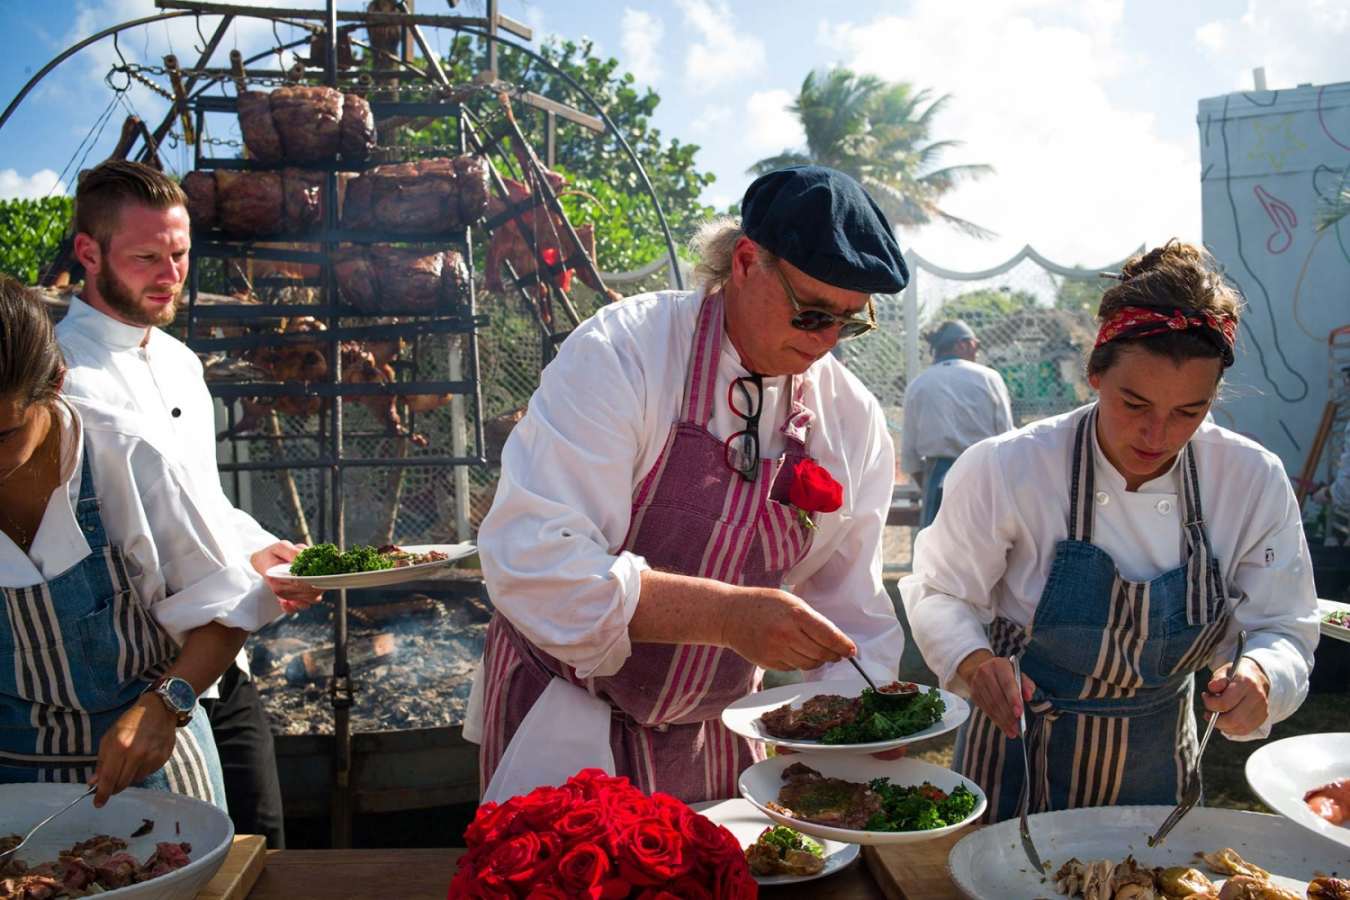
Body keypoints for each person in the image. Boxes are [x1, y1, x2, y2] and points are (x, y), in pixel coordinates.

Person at [465, 166, 908, 804]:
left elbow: (851, 613)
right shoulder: (624, 352)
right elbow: (535, 560)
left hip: (720, 739)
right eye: (811, 314)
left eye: (850, 322)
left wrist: (858, 726)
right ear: (746, 262)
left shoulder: (851, 418)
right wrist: (726, 616)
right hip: (567, 720)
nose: (827, 342)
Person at [900, 240, 1320, 823]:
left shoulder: (1249, 478)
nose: (1157, 434)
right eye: (1134, 403)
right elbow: (940, 590)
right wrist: (972, 660)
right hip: (1018, 750)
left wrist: (1261, 675)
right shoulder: (1008, 466)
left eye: (1188, 412)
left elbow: (1283, 625)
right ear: (1094, 374)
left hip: (1157, 767)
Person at [55, 160, 318, 846]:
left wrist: (261, 549)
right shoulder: (62, 379)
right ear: (88, 253)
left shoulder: (180, 361)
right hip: (136, 690)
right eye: (146, 258)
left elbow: (203, 502)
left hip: (223, 665)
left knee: (264, 851)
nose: (170, 275)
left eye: (179, 254)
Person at [0, 275, 280, 808]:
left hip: (154, 772)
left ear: (55, 384)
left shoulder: (128, 454)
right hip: (11, 782)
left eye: (3, 436)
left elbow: (226, 606)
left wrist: (166, 703)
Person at [900, 319, 1013, 527]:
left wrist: (929, 487)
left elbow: (909, 455)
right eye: (976, 345)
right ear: (962, 344)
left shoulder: (919, 384)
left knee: (936, 545)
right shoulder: (989, 378)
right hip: (983, 477)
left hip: (937, 479)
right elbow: (1007, 436)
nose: (977, 351)